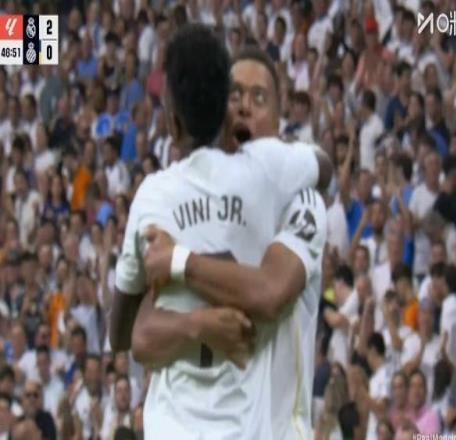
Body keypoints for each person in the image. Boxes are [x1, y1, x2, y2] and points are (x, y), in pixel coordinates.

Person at [110, 25, 331, 439]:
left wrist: (179, 262)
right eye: (235, 95)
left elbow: (269, 292)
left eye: (258, 98)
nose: (243, 107)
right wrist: (197, 323)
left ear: (279, 118)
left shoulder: (301, 200)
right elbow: (139, 335)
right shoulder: (187, 197)